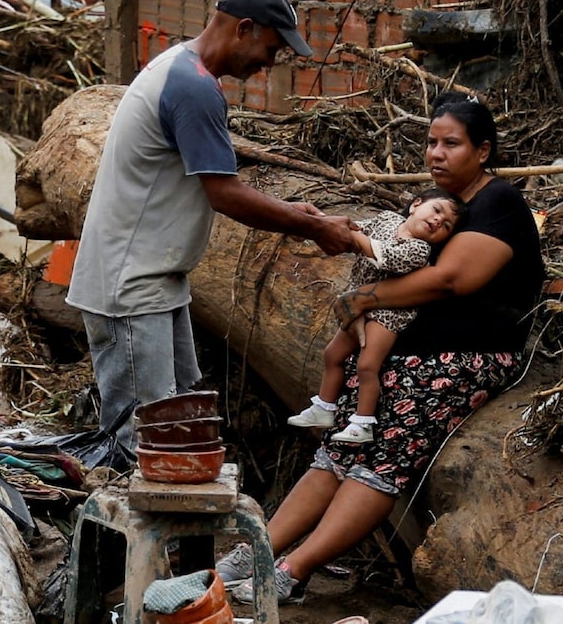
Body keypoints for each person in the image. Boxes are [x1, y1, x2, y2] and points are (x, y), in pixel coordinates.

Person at [216, 91, 545, 603]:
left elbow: (449, 280)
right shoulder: (443, 208)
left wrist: (362, 298)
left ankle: (290, 571)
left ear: (482, 151)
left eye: (451, 144)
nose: (436, 153)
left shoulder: (498, 202)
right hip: (409, 356)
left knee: (381, 461)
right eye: (431, 142)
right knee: (338, 450)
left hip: (464, 360)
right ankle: (258, 549)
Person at [65, 0, 355, 455]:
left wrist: (296, 213)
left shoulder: (185, 70)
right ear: (244, 28)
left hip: (153, 283)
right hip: (131, 287)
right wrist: (314, 226)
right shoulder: (192, 86)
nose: (270, 63)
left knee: (180, 426)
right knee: (143, 446)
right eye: (272, 47)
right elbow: (226, 194)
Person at [287, 188, 464, 443]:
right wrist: (324, 226)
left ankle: (362, 423)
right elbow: (356, 229)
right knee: (332, 354)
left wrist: (355, 240)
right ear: (415, 205)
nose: (438, 221)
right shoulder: (387, 219)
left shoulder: (418, 249)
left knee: (367, 365)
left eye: (446, 225)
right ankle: (324, 407)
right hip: (357, 304)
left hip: (389, 314)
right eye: (437, 210)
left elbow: (387, 258)